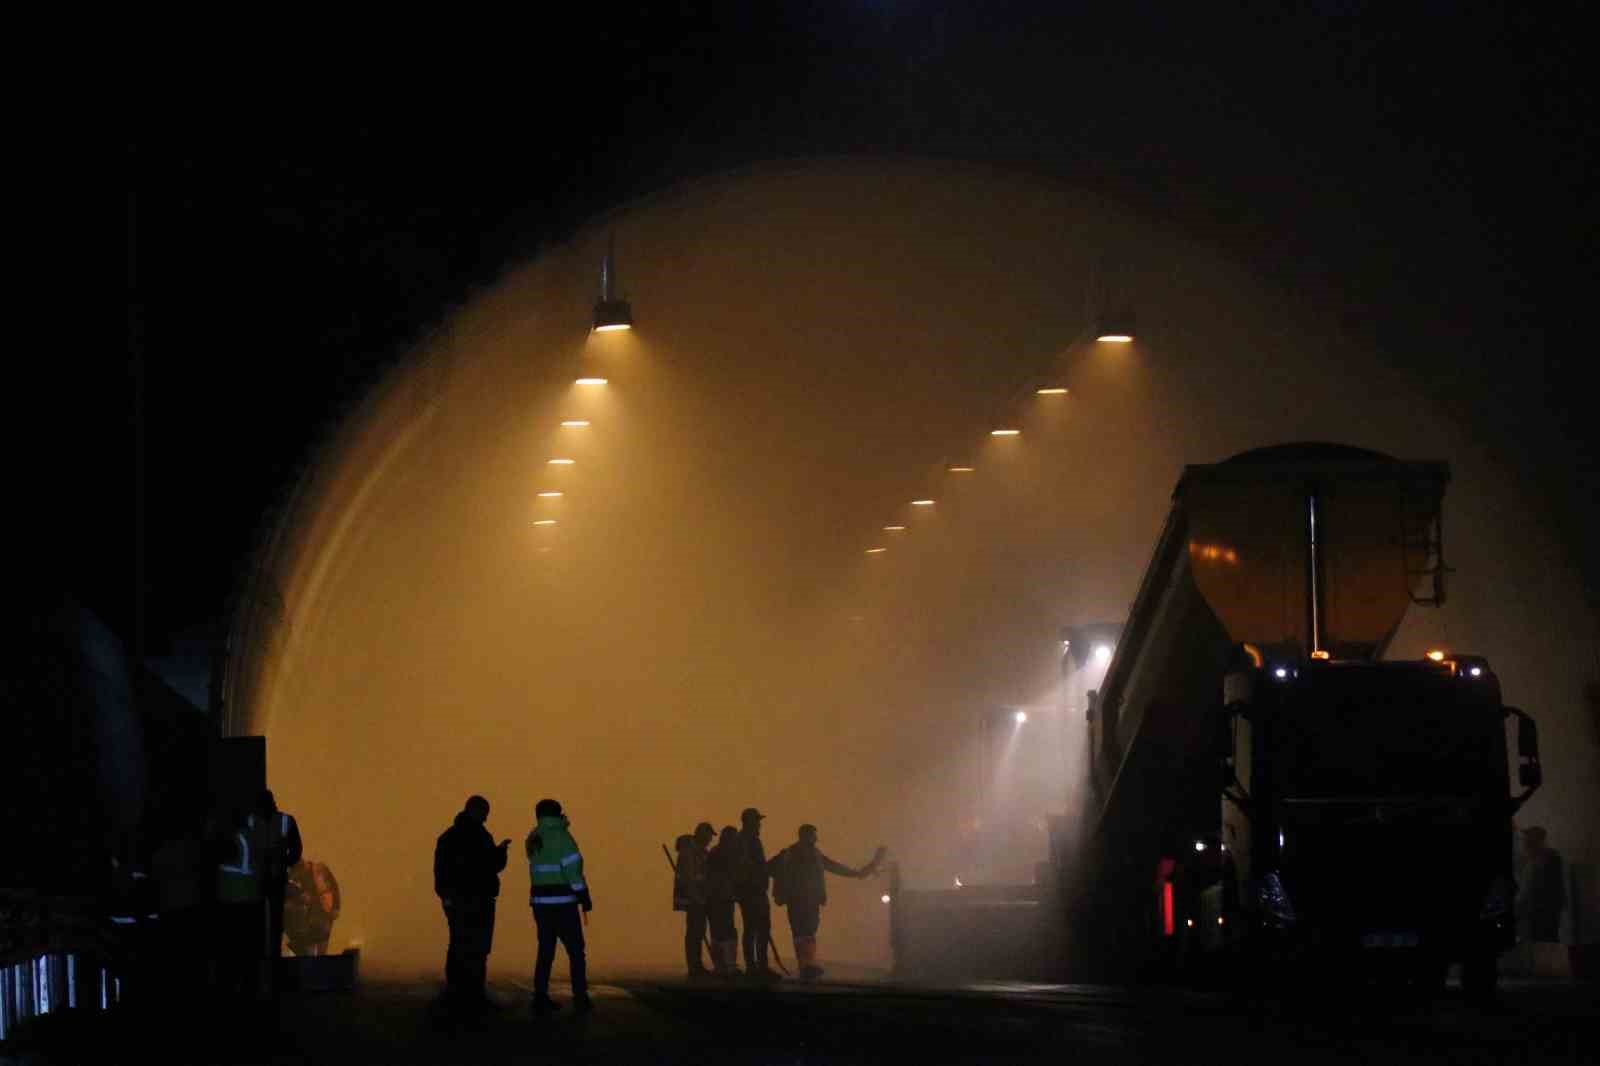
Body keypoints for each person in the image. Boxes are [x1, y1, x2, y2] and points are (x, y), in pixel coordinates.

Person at [769, 824, 885, 980]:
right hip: (801, 900)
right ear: (806, 836)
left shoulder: (804, 854)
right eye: (813, 835)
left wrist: (859, 872)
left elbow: (833, 867)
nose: (816, 839)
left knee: (805, 932)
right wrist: (859, 873)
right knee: (804, 932)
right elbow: (833, 867)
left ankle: (806, 965)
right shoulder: (795, 854)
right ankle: (805, 965)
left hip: (805, 900)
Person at [433, 795, 510, 1009]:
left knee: (459, 944)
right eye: (485, 813)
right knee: (478, 946)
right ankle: (474, 991)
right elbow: (492, 865)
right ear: (477, 811)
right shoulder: (480, 836)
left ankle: (456, 990)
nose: (486, 818)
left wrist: (445, 897)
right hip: (478, 899)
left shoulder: (448, 837)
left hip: (459, 900)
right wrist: (501, 853)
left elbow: (441, 872)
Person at [527, 798, 592, 1013]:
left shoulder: (533, 836)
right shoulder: (563, 837)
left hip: (540, 904)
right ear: (558, 814)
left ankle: (540, 995)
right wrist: (583, 895)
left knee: (545, 950)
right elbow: (573, 871)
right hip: (564, 904)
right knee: (576, 951)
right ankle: (580, 996)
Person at [248, 790, 303, 967]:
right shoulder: (285, 821)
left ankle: (266, 958)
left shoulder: (252, 822)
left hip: (262, 878)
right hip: (271, 877)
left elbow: (295, 850)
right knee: (272, 921)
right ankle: (271, 957)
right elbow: (296, 850)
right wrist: (284, 861)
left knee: (265, 920)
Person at [734, 807, 776, 978]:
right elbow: (746, 866)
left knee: (758, 928)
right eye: (757, 821)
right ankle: (755, 967)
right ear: (749, 822)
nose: (759, 824)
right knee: (755, 928)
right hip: (751, 891)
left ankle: (758, 966)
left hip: (755, 890)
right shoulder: (743, 840)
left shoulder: (749, 840)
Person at [674, 824, 714, 977]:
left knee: (697, 931)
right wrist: (696, 896)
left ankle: (696, 965)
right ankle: (694, 966)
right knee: (694, 932)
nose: (710, 839)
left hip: (700, 897)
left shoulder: (700, 851)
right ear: (703, 834)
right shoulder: (690, 852)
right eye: (709, 835)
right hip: (694, 898)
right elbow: (689, 877)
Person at [1517, 825, 1565, 943]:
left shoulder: (1549, 859)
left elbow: (1528, 893)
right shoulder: (1534, 861)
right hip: (1539, 915)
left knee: (1544, 943)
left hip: (1541, 916)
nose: (1524, 844)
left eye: (1526, 840)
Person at [705, 825, 743, 976]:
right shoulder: (724, 853)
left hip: (717, 897)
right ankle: (729, 966)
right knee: (727, 931)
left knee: (717, 932)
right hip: (722, 897)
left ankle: (721, 966)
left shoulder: (716, 852)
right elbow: (726, 876)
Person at [284, 858, 341, 957]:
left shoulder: (317, 871)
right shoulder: (296, 878)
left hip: (316, 929)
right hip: (306, 934)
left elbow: (330, 897)